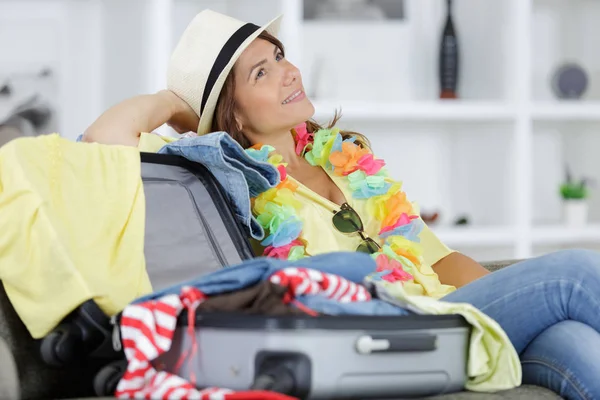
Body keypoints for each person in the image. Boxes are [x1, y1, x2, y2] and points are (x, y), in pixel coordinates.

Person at [83, 9, 600, 400]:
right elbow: (102, 138)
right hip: (382, 331)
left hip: (446, 315)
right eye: (260, 74)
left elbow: (439, 260)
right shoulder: (230, 181)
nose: (288, 73)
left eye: (279, 57)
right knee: (575, 271)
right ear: (229, 110)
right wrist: (180, 104)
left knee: (575, 341)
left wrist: (505, 302)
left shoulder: (348, 158)